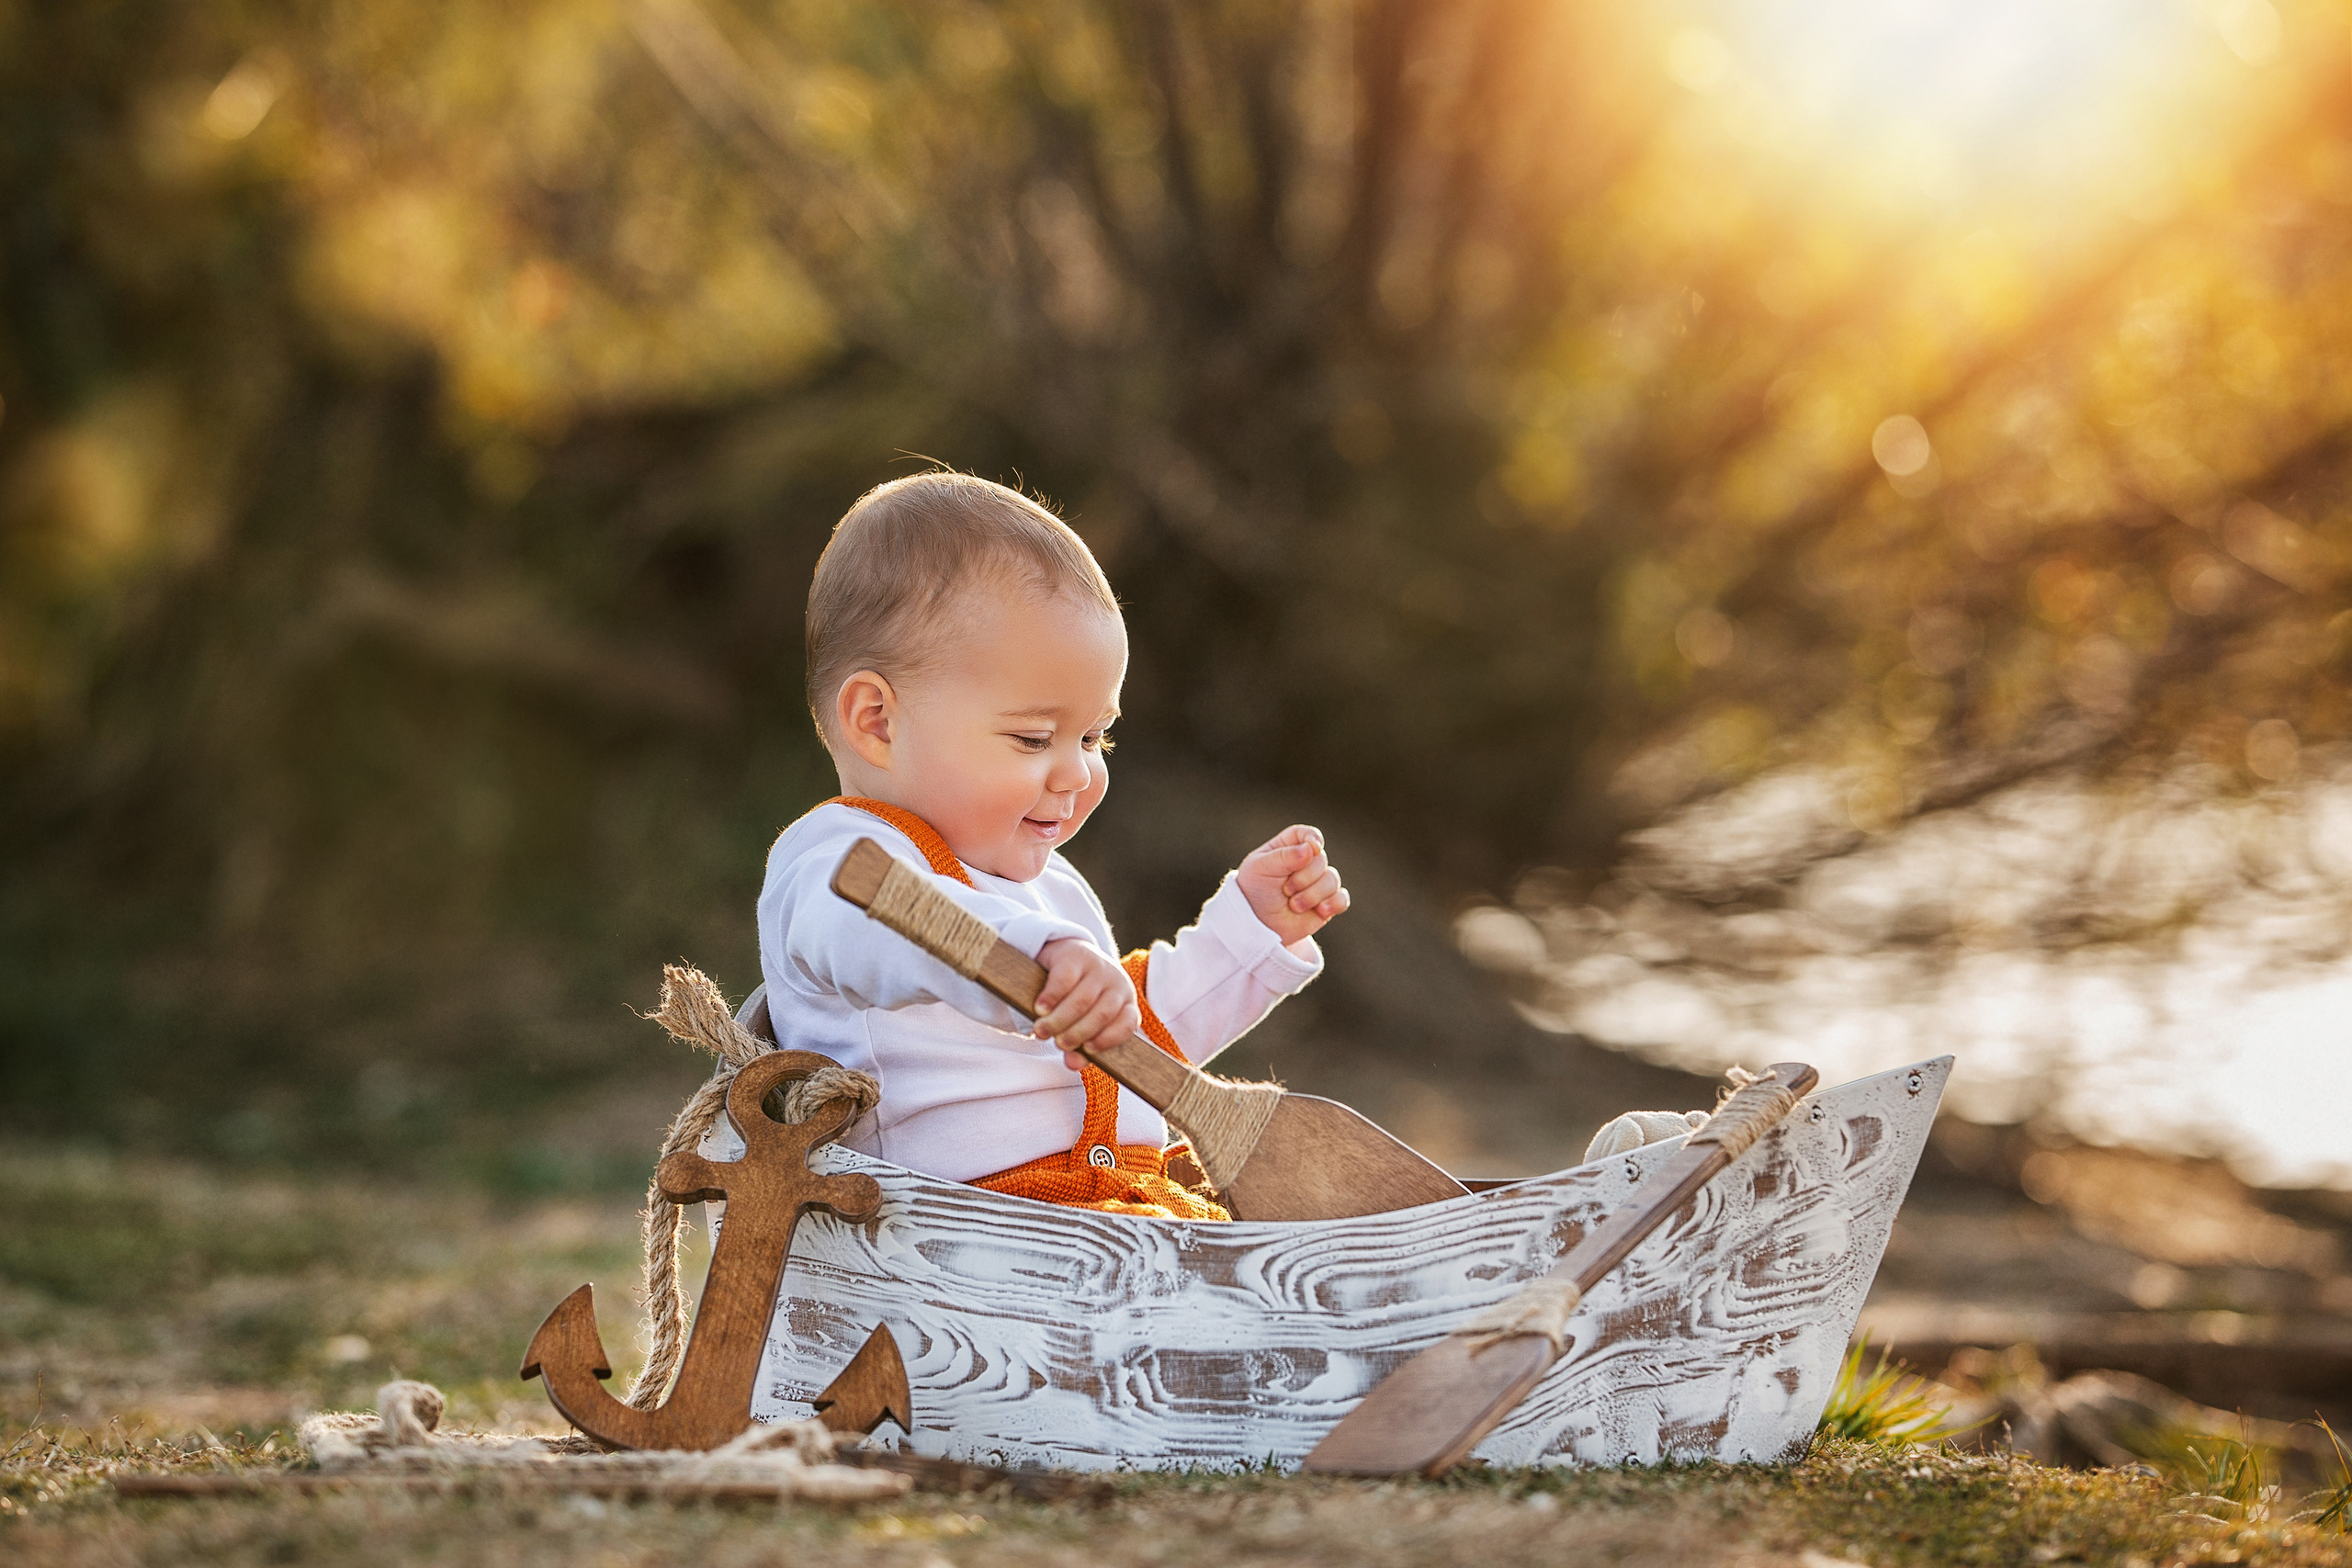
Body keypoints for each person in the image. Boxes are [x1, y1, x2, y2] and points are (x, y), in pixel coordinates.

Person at [736, 470, 1347, 1219]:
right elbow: (901, 930)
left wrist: (1247, 934)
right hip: (964, 1241)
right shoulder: (835, 863)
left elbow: (1133, 1051)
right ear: (877, 721)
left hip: (1108, 1217)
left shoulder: (1049, 894)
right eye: (1034, 737)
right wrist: (1039, 954)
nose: (1080, 770)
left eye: (1096, 736)